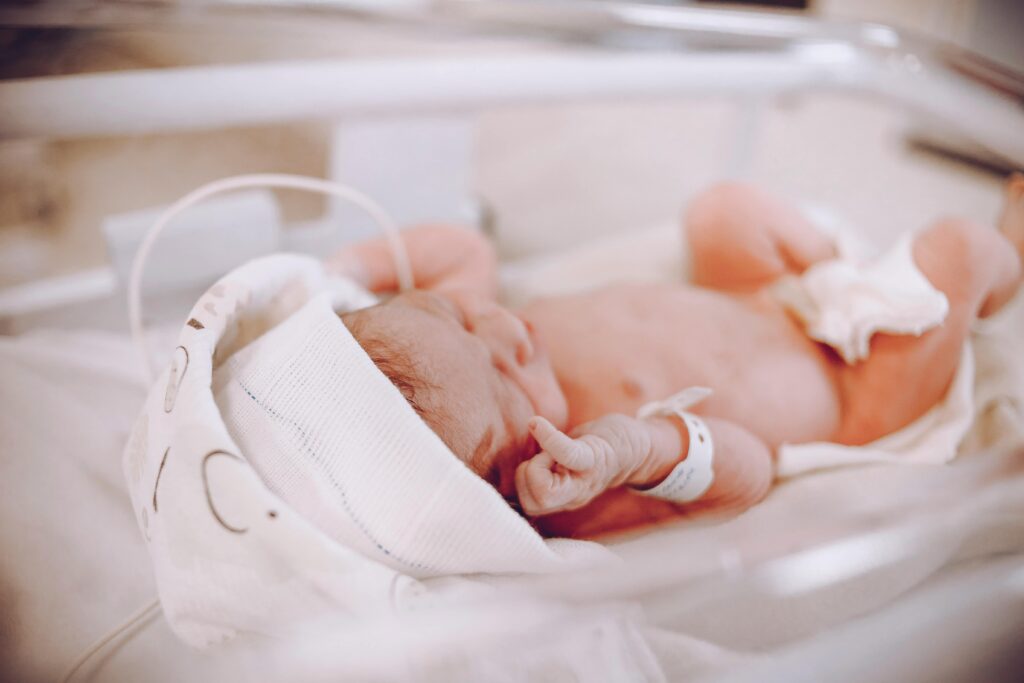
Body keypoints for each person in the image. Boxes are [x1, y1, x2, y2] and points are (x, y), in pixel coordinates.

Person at [329, 177, 1024, 538]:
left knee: (723, 210)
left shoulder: (464, 350)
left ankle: (859, 282)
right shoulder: (580, 486)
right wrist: (638, 450)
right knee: (962, 250)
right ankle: (1009, 251)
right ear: (512, 489)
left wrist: (343, 269)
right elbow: (748, 473)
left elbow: (463, 250)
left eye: (455, 317)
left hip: (758, 295)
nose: (503, 330)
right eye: (506, 381)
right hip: (854, 395)